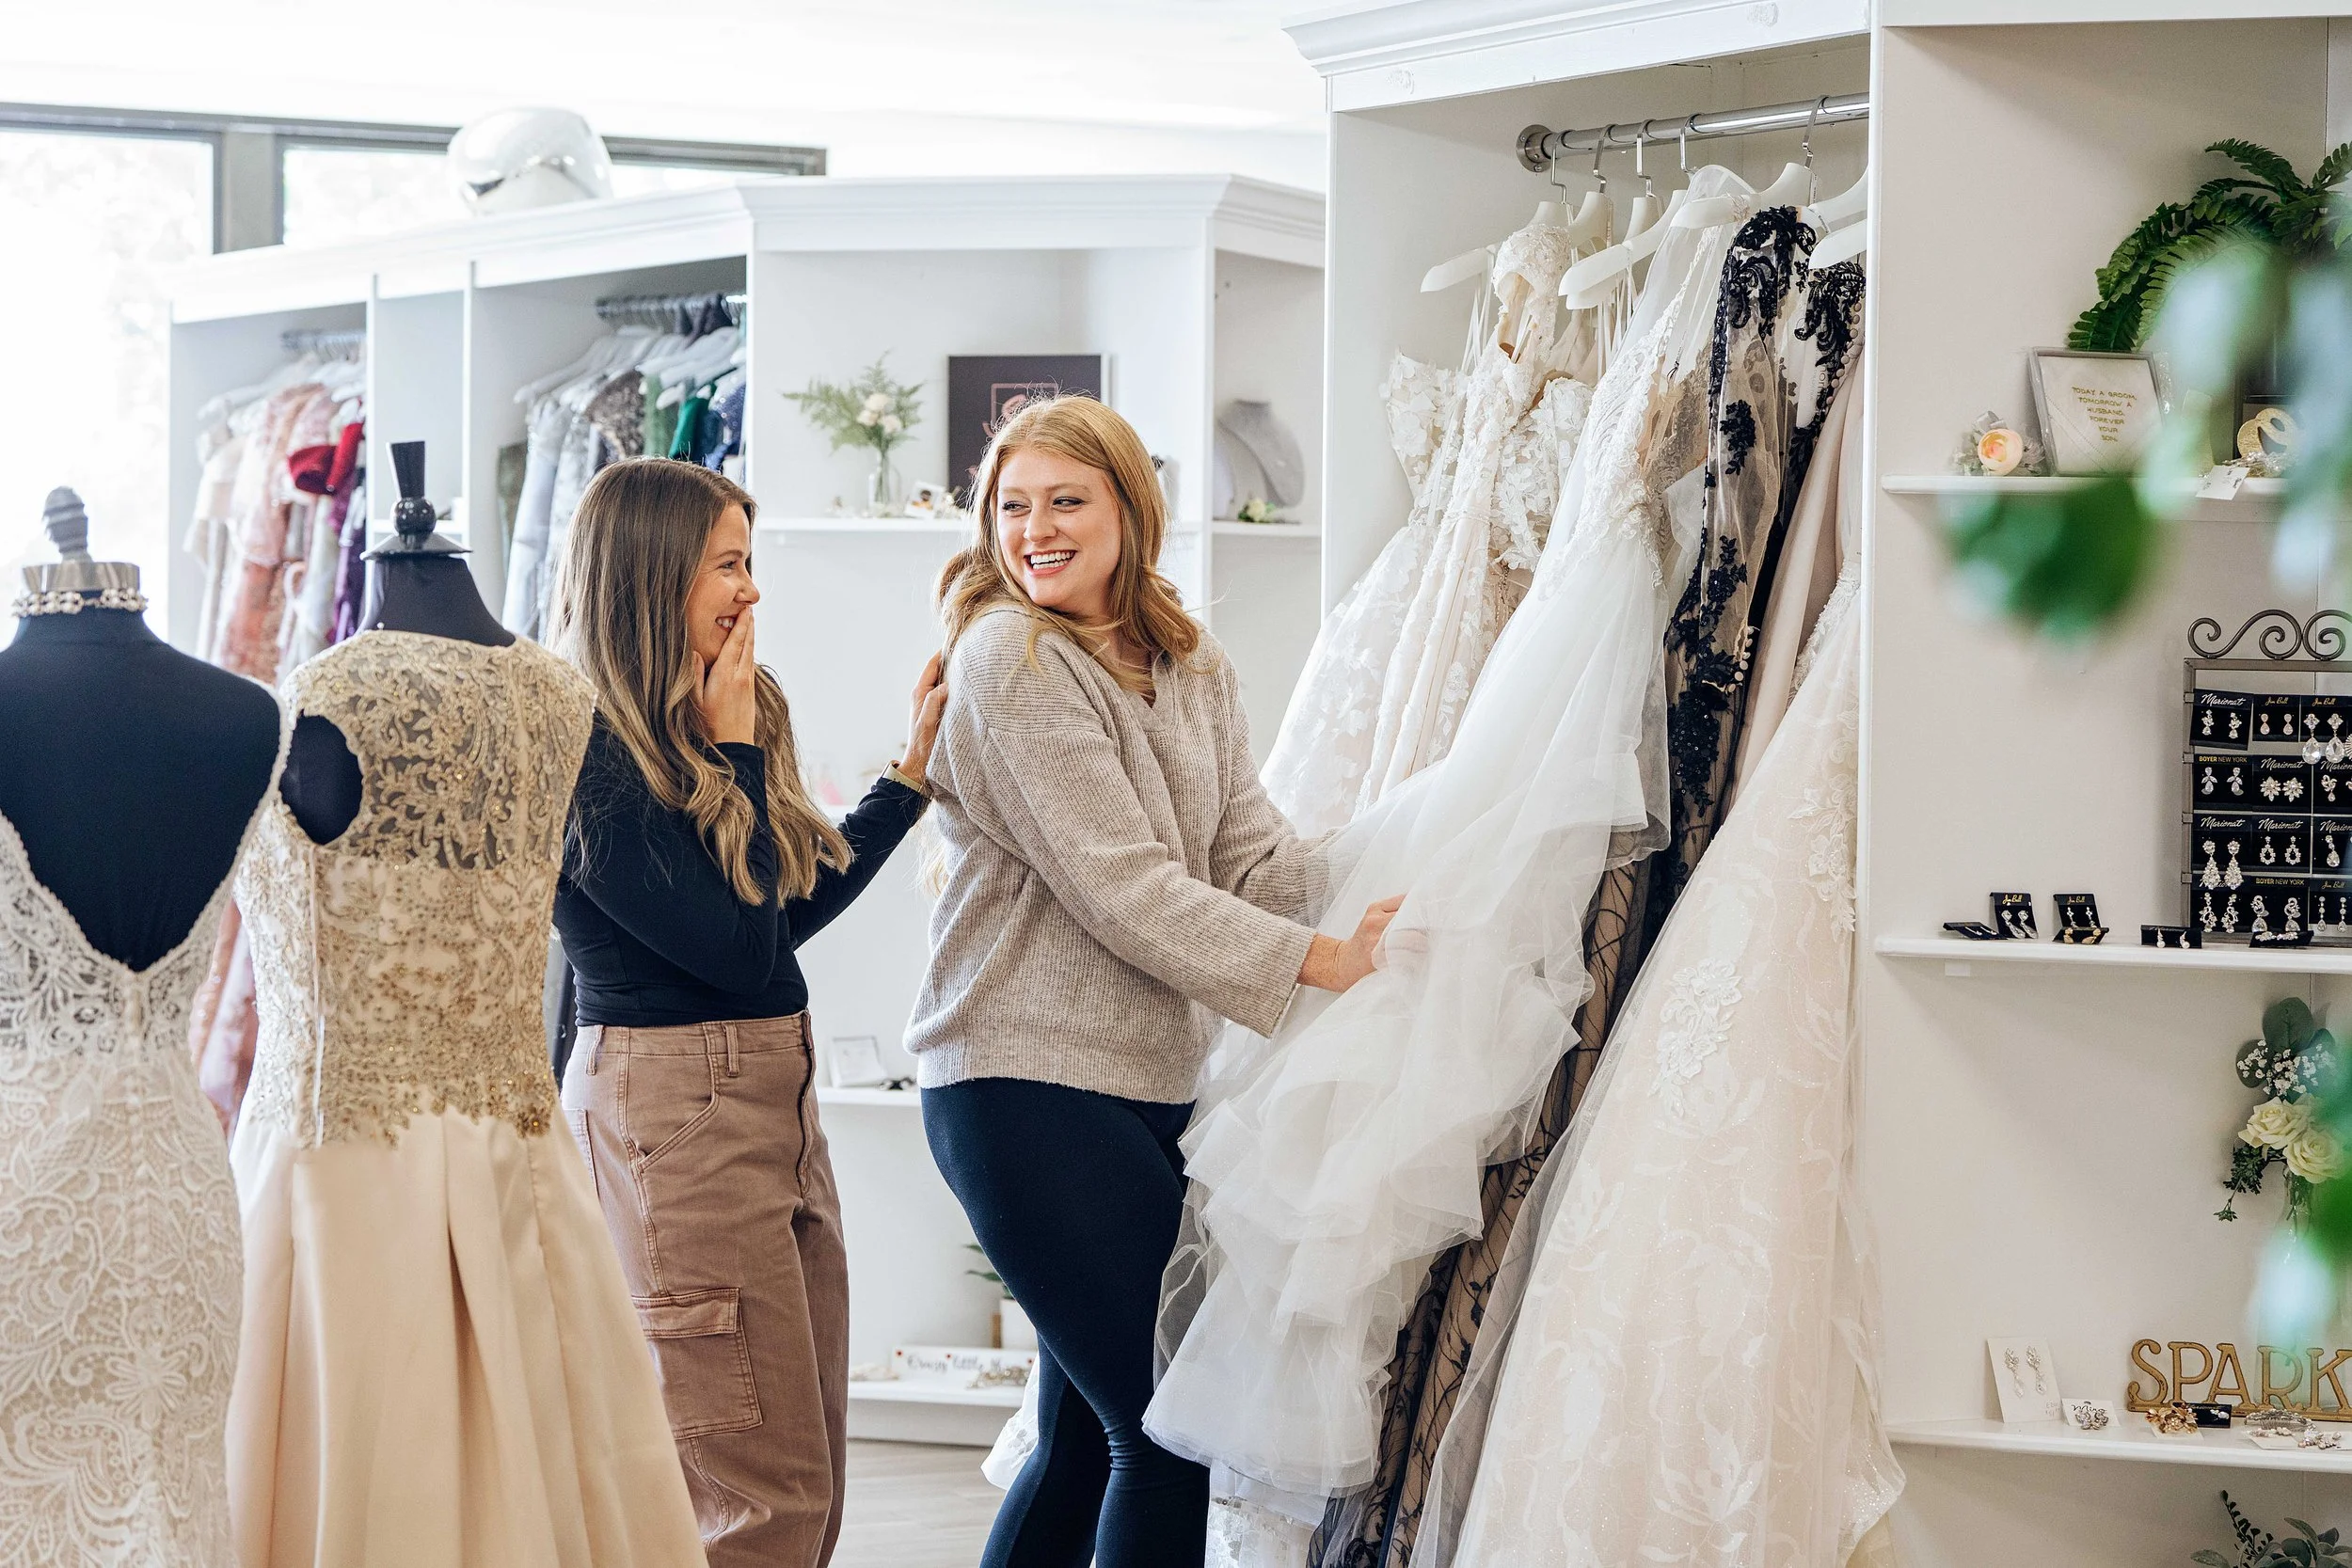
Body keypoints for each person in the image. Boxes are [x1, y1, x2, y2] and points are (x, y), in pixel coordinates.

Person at [909, 396, 1400, 1568]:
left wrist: (1408, 850)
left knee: (1083, 1440)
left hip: (1142, 1081)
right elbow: (1122, 885)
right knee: (1165, 1431)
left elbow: (1251, 857)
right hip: (1017, 1081)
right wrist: (1322, 963)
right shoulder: (1007, 659)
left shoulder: (1186, 660)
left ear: (1131, 508)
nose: (1035, 528)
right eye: (1012, 505)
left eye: (1065, 500)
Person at [551, 457, 945, 1568]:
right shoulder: (584, 747)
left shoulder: (719, 707)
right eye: (730, 564)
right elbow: (729, 953)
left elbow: (773, 921)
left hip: (770, 1083)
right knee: (754, 1491)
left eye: (750, 562)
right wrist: (736, 750)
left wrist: (905, 784)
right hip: (675, 1105)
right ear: (654, 573)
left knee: (804, 1464)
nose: (751, 591)